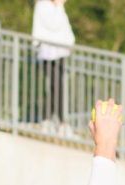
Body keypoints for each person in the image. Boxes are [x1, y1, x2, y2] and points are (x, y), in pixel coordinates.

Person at [31, 0, 74, 130]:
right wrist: (59, 6)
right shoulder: (43, 5)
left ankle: (54, 118)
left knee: (57, 85)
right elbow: (54, 24)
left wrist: (71, 42)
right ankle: (52, 118)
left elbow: (65, 28)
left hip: (59, 52)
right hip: (47, 51)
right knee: (55, 85)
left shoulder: (56, 7)